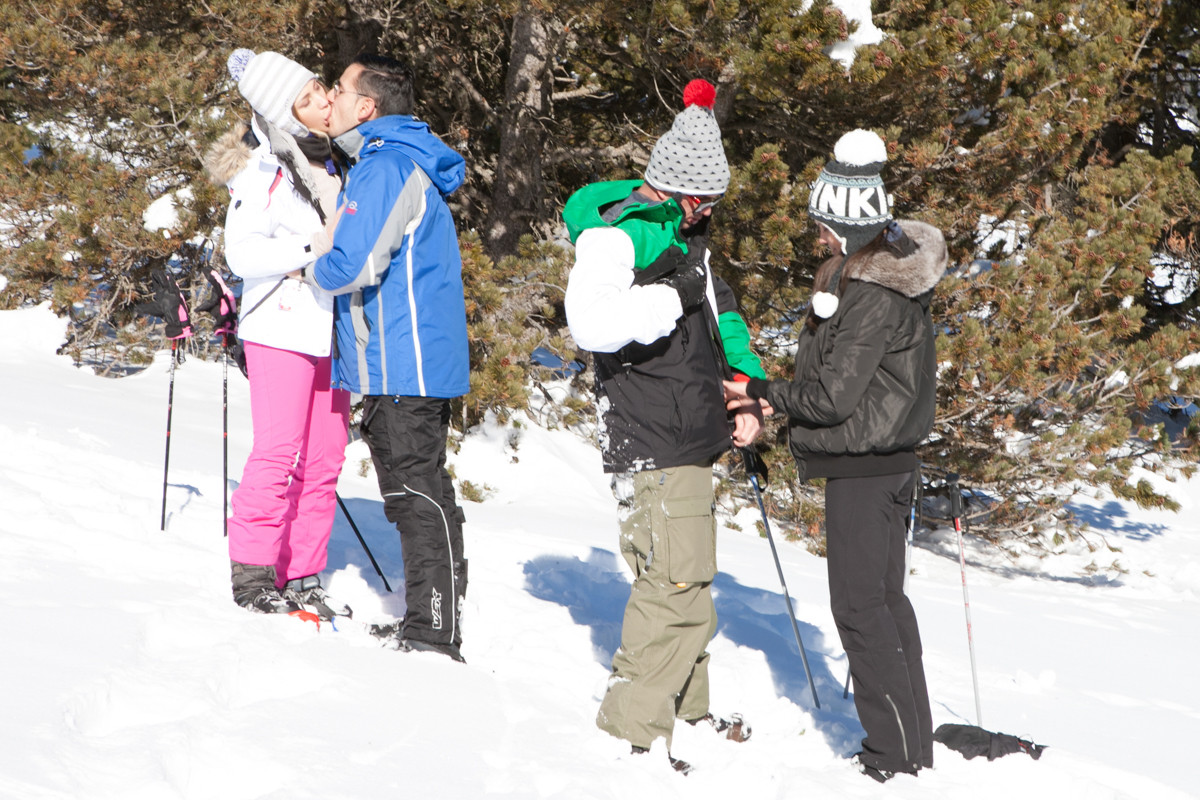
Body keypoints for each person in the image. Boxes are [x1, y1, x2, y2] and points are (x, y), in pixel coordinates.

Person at [723, 129, 946, 783]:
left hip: (867, 468)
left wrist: (761, 391)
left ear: (847, 227)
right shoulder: (880, 278)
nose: (818, 236)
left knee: (860, 608)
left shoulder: (871, 293)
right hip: (884, 462)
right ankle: (911, 748)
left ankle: (892, 756)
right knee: (884, 602)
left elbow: (829, 397)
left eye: (824, 225)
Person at [562, 80, 765, 769]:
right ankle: (632, 735)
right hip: (653, 432)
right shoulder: (618, 236)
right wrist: (670, 296)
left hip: (689, 427)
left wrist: (745, 387)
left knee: (690, 580)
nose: (712, 214)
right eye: (709, 202)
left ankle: (687, 710)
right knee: (672, 584)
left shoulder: (685, 233)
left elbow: (718, 311)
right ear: (685, 193)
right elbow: (592, 324)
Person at [303, 54, 470, 663]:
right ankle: (435, 619)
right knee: (425, 491)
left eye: (341, 88)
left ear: (367, 106)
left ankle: (432, 631)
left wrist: (305, 267)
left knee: (414, 496)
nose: (332, 97)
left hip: (405, 360)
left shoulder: (386, 165)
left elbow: (354, 263)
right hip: (411, 357)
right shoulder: (395, 160)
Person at [202, 49, 352, 620]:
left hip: (331, 330)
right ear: (284, 115)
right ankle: (253, 572)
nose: (322, 103)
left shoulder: (336, 163)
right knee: (278, 451)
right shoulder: (263, 171)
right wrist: (310, 249)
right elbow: (242, 254)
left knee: (326, 459)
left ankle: (303, 572)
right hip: (282, 327)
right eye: (305, 100)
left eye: (319, 89)